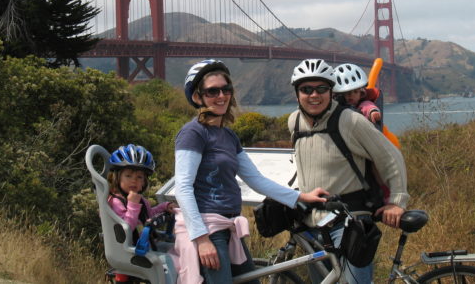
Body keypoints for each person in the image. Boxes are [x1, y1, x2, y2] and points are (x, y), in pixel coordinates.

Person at [171, 59, 327, 284]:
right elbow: (183, 187)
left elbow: (256, 180)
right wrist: (201, 239)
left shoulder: (228, 136)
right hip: (208, 229)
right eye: (212, 91)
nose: (221, 96)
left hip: (229, 227)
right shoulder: (193, 133)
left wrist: (301, 197)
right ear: (198, 97)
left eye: (226, 89)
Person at [288, 59, 409, 284]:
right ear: (297, 94)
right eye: (306, 89)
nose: (314, 95)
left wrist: (397, 200)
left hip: (349, 222)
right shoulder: (294, 121)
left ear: (331, 91)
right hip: (312, 224)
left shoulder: (350, 121)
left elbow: (391, 157)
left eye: (321, 88)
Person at [107, 144, 177, 284]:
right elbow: (126, 228)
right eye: (128, 176)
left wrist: (165, 206)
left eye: (139, 177)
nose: (134, 180)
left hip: (146, 246)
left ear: (144, 182)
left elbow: (149, 214)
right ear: (117, 178)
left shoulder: (142, 201)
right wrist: (132, 205)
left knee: (178, 248)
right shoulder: (115, 202)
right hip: (129, 251)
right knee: (168, 261)